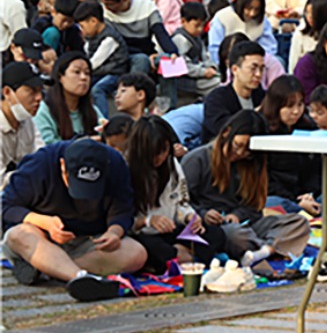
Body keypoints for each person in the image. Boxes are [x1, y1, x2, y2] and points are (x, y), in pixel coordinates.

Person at [1, 138, 146, 300]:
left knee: (136, 254)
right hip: (42, 238)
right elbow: (7, 207)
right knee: (19, 235)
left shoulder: (115, 163)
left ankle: (47, 269)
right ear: (63, 167)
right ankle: (79, 277)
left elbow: (123, 210)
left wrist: (114, 232)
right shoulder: (40, 164)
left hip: (87, 241)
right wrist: (44, 222)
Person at [184, 110, 310, 264]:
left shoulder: (251, 164)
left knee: (299, 223)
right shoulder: (197, 160)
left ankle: (261, 252)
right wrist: (203, 214)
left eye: (247, 152)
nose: (240, 153)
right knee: (236, 235)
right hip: (214, 228)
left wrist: (237, 215)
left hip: (243, 224)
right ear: (226, 133)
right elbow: (181, 203)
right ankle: (271, 247)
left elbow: (254, 206)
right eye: (237, 145)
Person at [125, 116, 226, 271]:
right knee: (154, 249)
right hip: (143, 235)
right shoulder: (127, 169)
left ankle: (179, 256)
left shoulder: (171, 164)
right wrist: (148, 221)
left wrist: (189, 217)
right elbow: (122, 219)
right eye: (154, 153)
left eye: (163, 151)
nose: (159, 158)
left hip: (172, 232)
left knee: (215, 234)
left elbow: (181, 201)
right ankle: (187, 256)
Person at [259, 76, 320, 215]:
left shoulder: (308, 127)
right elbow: (264, 180)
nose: (296, 111)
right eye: (289, 106)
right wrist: (296, 202)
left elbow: (315, 170)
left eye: (300, 104)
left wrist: (309, 194)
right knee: (273, 203)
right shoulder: (261, 130)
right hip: (278, 197)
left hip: (307, 196)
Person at [93, 0, 179, 75]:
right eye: (104, 4)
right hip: (121, 56)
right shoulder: (106, 14)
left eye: (110, 4)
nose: (106, 7)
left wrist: (172, 53)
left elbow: (161, 33)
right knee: (141, 60)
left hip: (146, 52)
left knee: (169, 60)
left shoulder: (147, 7)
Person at [201, 40, 266, 143]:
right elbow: (223, 129)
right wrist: (254, 115)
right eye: (253, 68)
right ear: (235, 69)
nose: (258, 74)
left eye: (262, 69)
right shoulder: (216, 99)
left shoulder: (263, 97)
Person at [34, 52, 103, 145]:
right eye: (77, 72)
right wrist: (83, 144)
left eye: (87, 73)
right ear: (60, 77)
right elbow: (46, 147)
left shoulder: (93, 110)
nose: (83, 78)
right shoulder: (45, 111)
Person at [208, 0, 277, 67]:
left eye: (256, 9)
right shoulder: (222, 18)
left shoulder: (263, 21)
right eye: (248, 8)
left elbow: (269, 47)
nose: (252, 13)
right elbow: (214, 48)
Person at [169, 2, 220, 99]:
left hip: (199, 74)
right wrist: (203, 72)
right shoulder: (180, 39)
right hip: (187, 79)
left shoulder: (197, 38)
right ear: (183, 21)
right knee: (217, 84)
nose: (200, 29)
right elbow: (183, 65)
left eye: (202, 25)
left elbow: (205, 56)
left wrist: (211, 66)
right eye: (196, 25)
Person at [1, 62, 44, 174]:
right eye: (32, 91)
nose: (39, 98)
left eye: (40, 91)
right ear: (7, 92)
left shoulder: (27, 119)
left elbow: (41, 157)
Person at [288, 0, 327, 73]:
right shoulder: (300, 33)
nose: (310, 17)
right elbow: (293, 63)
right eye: (307, 12)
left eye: (314, 13)